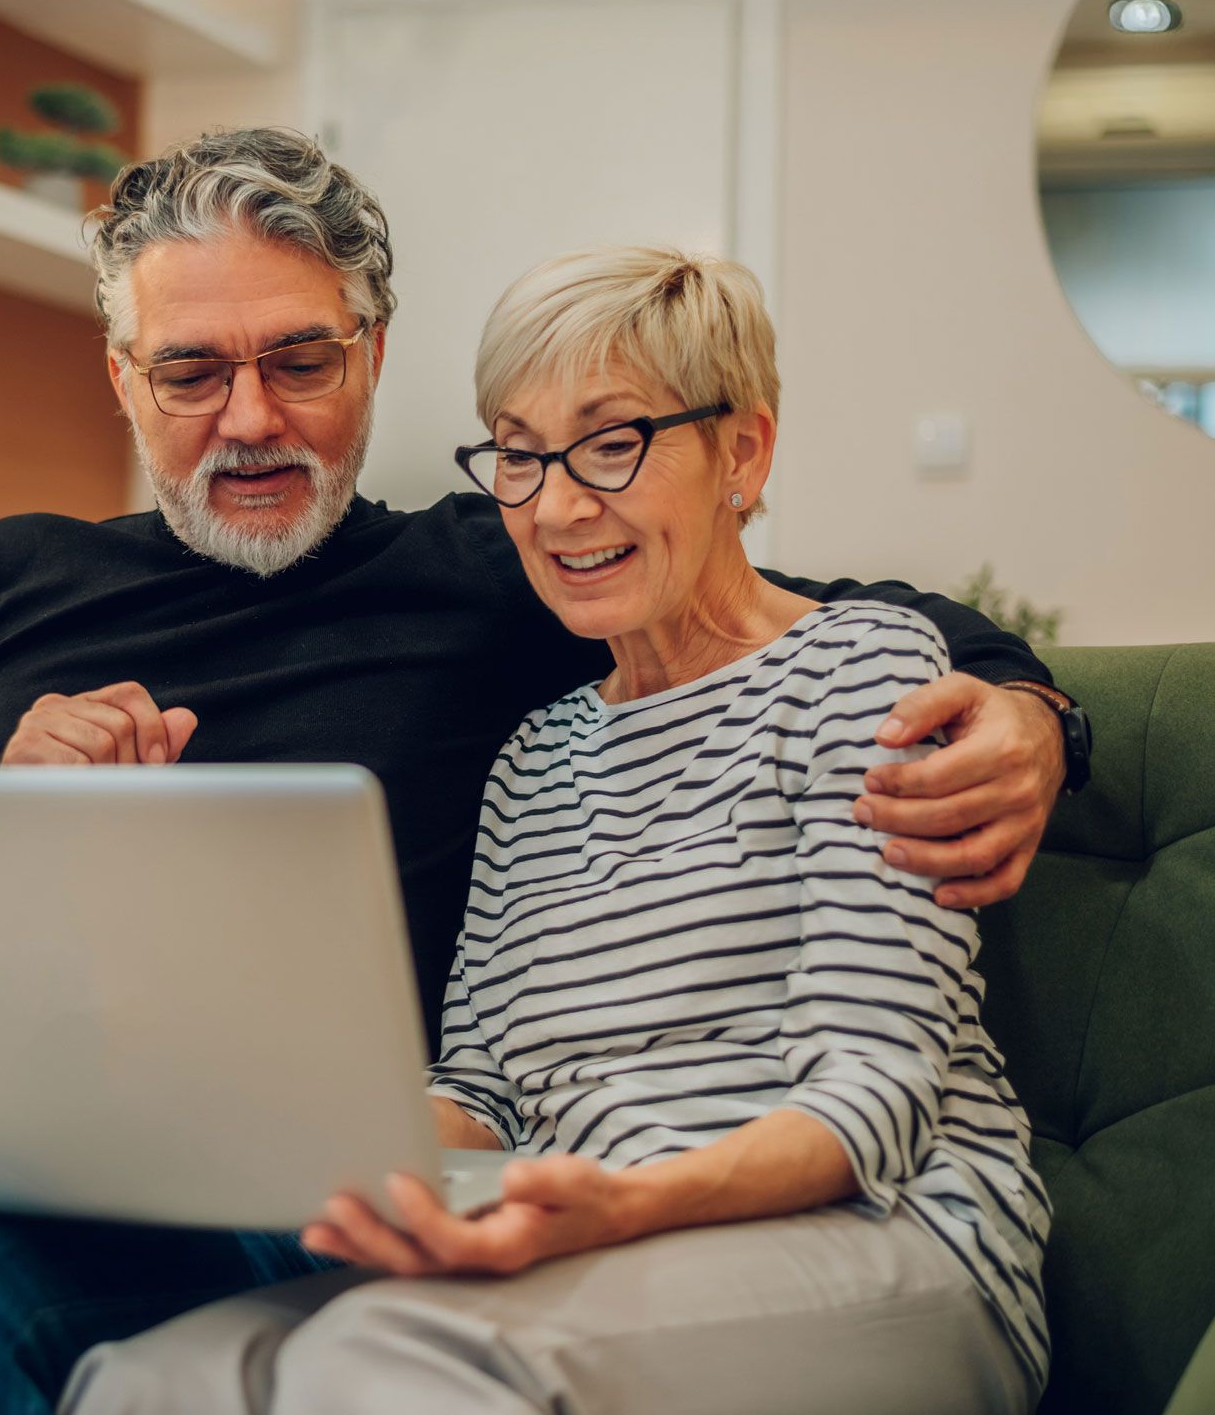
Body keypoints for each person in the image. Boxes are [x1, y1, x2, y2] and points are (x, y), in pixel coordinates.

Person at [0, 130, 1072, 1414]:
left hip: (261, 1168)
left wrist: (1021, 699)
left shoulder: (502, 567)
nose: (248, 417)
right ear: (122, 376)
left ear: (373, 357)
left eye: (299, 361)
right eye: (190, 370)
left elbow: (796, 612)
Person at [60, 247, 1048, 1415]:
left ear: (740, 452)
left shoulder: (859, 671)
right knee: (149, 1375)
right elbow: (478, 1085)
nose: (559, 504)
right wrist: (289, 1141)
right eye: (518, 454)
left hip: (889, 1239)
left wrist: (623, 1204)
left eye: (612, 441)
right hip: (595, 1238)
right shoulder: (535, 755)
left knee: (378, 1360)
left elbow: (872, 1096)